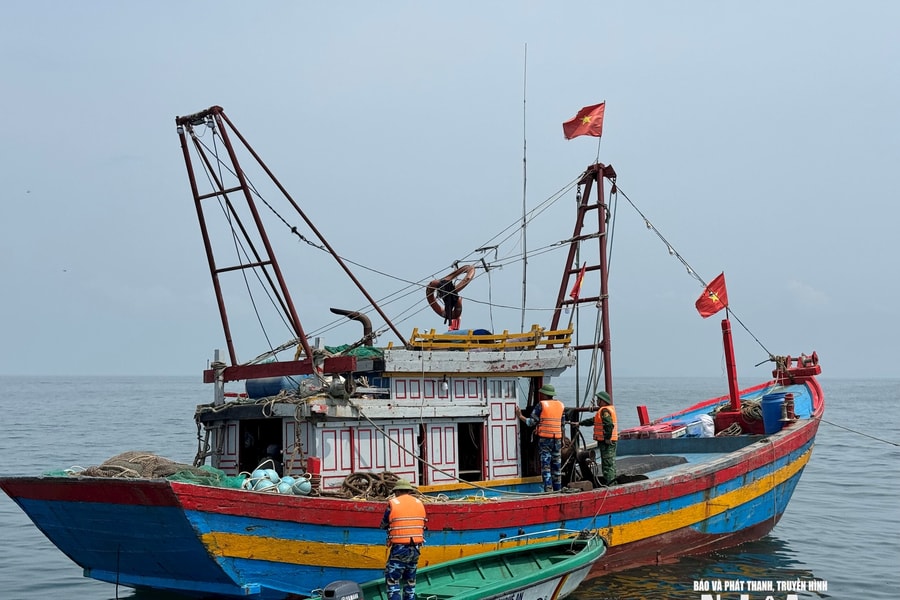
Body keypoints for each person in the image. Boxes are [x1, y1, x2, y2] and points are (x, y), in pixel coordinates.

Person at [380, 478, 427, 600]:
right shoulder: (419, 503)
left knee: (393, 579)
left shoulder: (393, 503)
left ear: (398, 491)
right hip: (416, 548)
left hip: (400, 548)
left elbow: (384, 524)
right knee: (410, 580)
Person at [516, 383, 565, 492]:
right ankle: (558, 489)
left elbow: (531, 422)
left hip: (545, 440)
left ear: (544, 394)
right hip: (557, 439)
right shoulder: (561, 405)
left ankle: (548, 489)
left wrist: (520, 416)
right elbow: (562, 424)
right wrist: (563, 439)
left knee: (546, 466)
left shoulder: (541, 405)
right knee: (556, 465)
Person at [588, 391, 618, 485]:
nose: (597, 401)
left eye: (598, 400)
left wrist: (608, 438)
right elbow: (593, 421)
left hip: (607, 442)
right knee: (608, 463)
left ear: (603, 401)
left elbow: (609, 425)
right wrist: (580, 423)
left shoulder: (605, 411)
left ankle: (610, 484)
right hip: (604, 441)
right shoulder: (602, 411)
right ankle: (611, 482)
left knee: (608, 464)